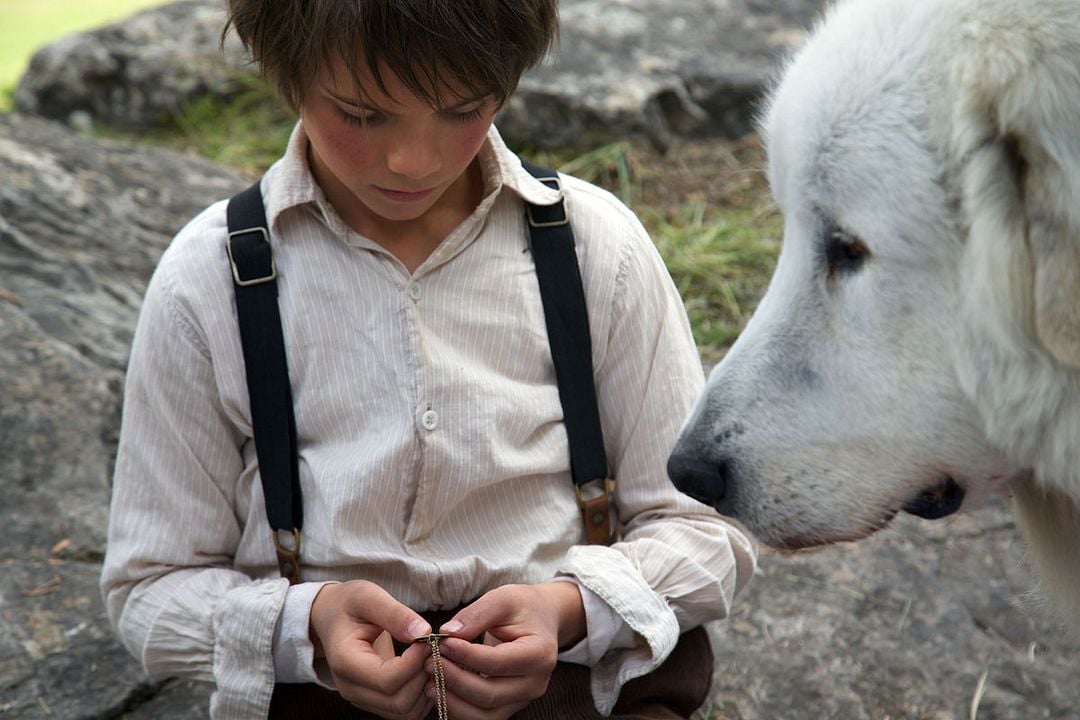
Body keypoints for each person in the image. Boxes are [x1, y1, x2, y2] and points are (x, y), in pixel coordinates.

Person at [101, 1, 757, 719]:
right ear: (286, 73)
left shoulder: (594, 249)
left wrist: (568, 609)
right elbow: (151, 590)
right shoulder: (213, 278)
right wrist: (309, 624)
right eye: (361, 114)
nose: (414, 160)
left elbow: (704, 532)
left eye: (462, 109)